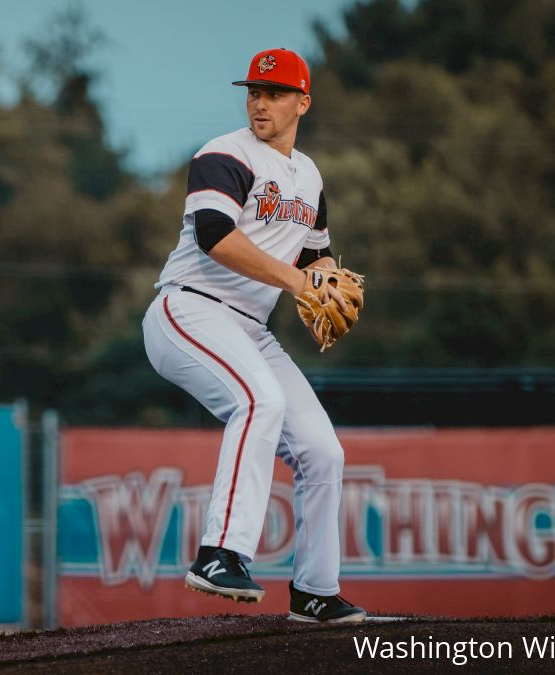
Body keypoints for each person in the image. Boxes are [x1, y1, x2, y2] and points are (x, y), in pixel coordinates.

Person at [141, 48, 366, 623]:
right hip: (187, 311)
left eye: (275, 93)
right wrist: (297, 281)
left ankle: (315, 589)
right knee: (257, 400)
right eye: (254, 92)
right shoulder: (223, 154)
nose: (260, 102)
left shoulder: (310, 178)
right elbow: (216, 235)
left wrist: (323, 282)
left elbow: (317, 260)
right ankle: (220, 553)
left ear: (303, 102)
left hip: (249, 327)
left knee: (323, 451)